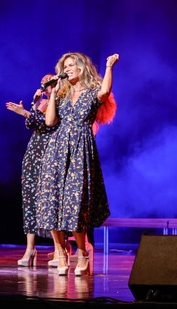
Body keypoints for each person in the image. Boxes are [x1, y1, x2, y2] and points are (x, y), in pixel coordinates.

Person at [37, 52, 119, 276]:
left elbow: (105, 92)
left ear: (82, 68)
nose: (68, 69)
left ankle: (83, 253)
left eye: (72, 65)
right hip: (57, 149)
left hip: (80, 149)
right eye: (65, 66)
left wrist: (109, 67)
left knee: (76, 204)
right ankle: (61, 253)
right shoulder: (62, 94)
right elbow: (50, 121)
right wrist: (53, 93)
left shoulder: (92, 92)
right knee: (52, 201)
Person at [5, 75, 59, 267]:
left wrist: (26, 112)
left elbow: (48, 124)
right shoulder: (42, 103)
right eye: (44, 83)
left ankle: (60, 249)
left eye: (50, 82)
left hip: (51, 153)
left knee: (50, 201)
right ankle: (30, 249)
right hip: (33, 153)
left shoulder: (61, 102)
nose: (46, 86)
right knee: (30, 201)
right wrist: (33, 105)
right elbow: (31, 124)